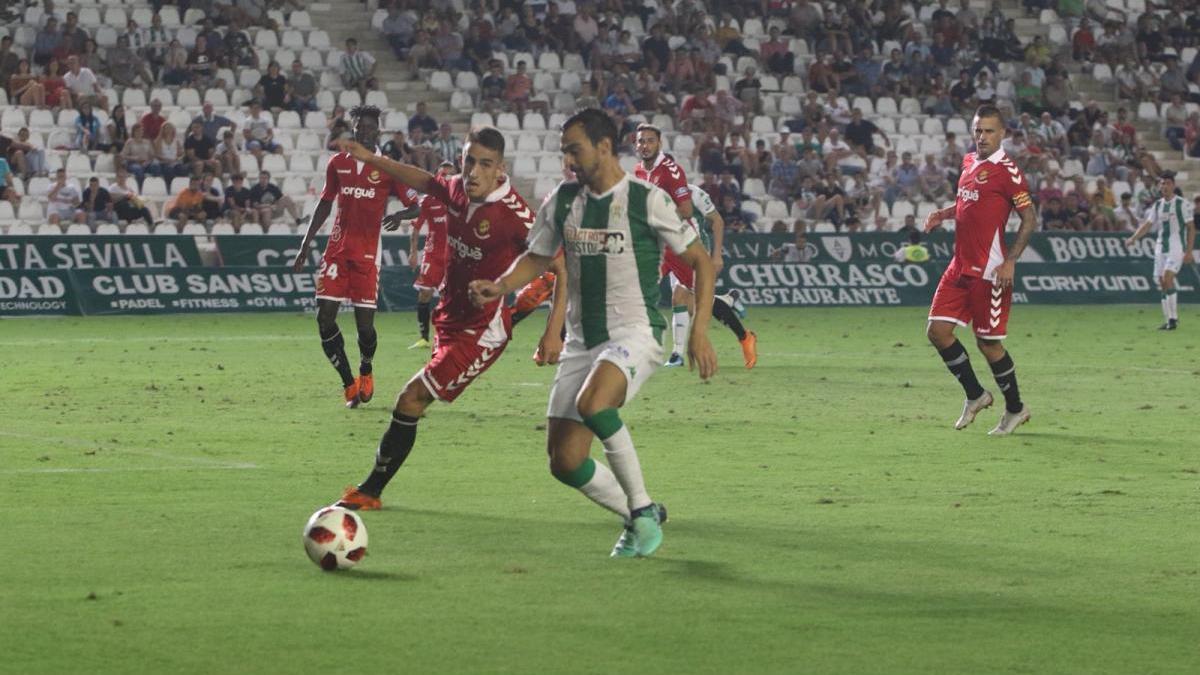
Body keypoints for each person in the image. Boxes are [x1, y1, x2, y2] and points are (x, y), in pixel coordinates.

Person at [469, 108, 718, 558]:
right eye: (565, 151)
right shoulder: (562, 201)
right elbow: (539, 257)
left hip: (635, 332)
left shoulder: (647, 199)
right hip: (582, 340)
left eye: (575, 150)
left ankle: (641, 513)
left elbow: (702, 262)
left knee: (594, 402)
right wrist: (502, 286)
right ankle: (638, 512)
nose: (569, 160)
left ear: (604, 147)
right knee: (564, 462)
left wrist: (698, 332)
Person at [330, 126, 549, 514]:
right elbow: (429, 181)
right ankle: (521, 307)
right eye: (469, 161)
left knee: (410, 399)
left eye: (485, 164)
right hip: (448, 316)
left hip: (480, 334)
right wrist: (372, 159)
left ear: (500, 169)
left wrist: (554, 331)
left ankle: (370, 490)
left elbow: (557, 262)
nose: (474, 172)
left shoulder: (515, 215)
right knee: (413, 401)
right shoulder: (457, 189)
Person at [291, 106, 422, 406]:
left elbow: (416, 205)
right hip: (336, 250)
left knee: (365, 326)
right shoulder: (338, 163)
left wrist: (401, 214)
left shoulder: (389, 167)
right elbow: (325, 203)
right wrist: (306, 242)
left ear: (377, 131)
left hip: (366, 254)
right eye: (358, 127)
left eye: (369, 127)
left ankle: (366, 369)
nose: (363, 131)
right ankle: (349, 384)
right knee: (325, 318)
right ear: (353, 129)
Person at [921, 104, 1036, 435]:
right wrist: (943, 214)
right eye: (977, 130)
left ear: (1002, 134)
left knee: (989, 344)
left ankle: (1015, 409)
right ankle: (976, 396)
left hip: (990, 272)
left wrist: (1010, 260)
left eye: (988, 131)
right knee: (937, 331)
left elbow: (1030, 218)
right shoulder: (969, 161)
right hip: (959, 266)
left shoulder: (1009, 172)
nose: (982, 136)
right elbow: (967, 202)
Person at [633, 124, 758, 368]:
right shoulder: (640, 172)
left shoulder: (691, 191)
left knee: (697, 301)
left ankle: (744, 336)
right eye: (641, 141)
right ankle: (673, 353)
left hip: (683, 246)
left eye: (650, 141)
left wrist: (716, 256)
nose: (644, 146)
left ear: (659, 145)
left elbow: (712, 220)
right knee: (667, 294)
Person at [1124, 173, 1195, 330]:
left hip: (1176, 247)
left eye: (1167, 183)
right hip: (1160, 247)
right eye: (1162, 183)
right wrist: (1133, 238)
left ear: (1173, 185)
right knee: (1162, 283)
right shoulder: (1157, 205)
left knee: (1167, 277)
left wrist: (1189, 252)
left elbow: (1191, 228)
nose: (1164, 186)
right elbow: (1148, 225)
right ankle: (1168, 320)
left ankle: (1174, 319)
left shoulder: (1182, 204)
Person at [407, 161, 455, 350]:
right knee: (424, 293)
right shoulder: (427, 200)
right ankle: (424, 337)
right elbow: (416, 229)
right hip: (433, 255)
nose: (447, 178)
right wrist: (413, 252)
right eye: (444, 174)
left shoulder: (460, 200)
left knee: (451, 297)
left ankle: (450, 335)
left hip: (453, 255)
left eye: (450, 176)